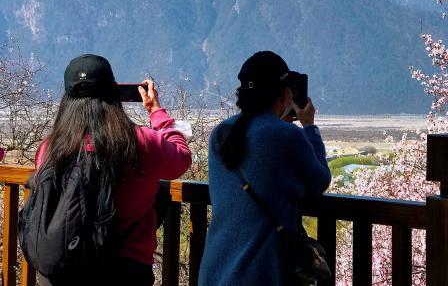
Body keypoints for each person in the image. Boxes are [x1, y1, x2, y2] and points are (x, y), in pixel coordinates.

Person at [34, 54, 192, 286]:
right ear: (113, 92)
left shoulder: (49, 148)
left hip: (62, 269)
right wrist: (157, 113)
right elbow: (181, 158)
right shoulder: (139, 142)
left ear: (67, 98)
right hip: (126, 270)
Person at [199, 51, 332, 286]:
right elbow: (319, 180)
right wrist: (309, 127)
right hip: (260, 271)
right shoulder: (287, 135)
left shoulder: (221, 133)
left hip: (215, 269)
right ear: (285, 94)